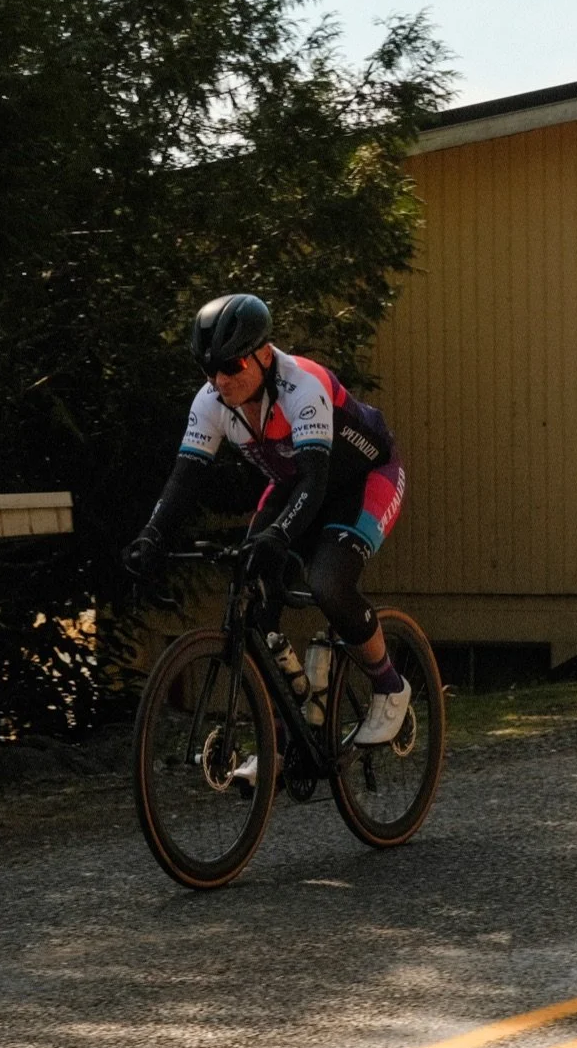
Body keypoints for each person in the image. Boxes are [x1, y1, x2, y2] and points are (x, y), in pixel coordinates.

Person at [123, 294, 413, 746]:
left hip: (362, 480)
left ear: (262, 354)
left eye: (231, 366)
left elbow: (316, 481)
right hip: (296, 483)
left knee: (328, 583)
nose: (221, 380)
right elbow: (185, 479)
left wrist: (280, 534)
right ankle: (285, 727)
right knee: (251, 593)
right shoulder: (211, 401)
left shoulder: (303, 385)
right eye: (209, 370)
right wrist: (151, 535)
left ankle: (389, 685)